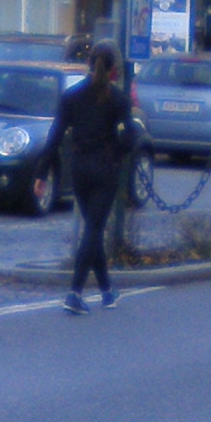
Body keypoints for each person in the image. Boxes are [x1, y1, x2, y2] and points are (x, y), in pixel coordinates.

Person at [51, 44, 136, 311]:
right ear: (113, 69)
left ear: (88, 63)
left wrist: (42, 172)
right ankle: (75, 292)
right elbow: (129, 136)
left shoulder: (71, 96)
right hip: (105, 168)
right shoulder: (118, 99)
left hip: (79, 168)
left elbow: (55, 135)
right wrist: (119, 153)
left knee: (92, 228)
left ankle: (107, 290)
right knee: (94, 229)